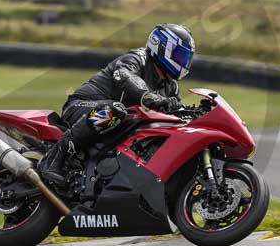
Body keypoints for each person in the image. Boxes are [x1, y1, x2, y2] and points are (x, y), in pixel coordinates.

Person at [38, 23, 195, 185]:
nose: (183, 62)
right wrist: (150, 98)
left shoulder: (170, 86)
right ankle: (54, 158)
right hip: (82, 107)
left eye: (186, 58)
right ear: (161, 47)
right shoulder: (137, 58)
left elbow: (176, 115)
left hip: (116, 126)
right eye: (180, 56)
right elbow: (126, 76)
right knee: (115, 110)